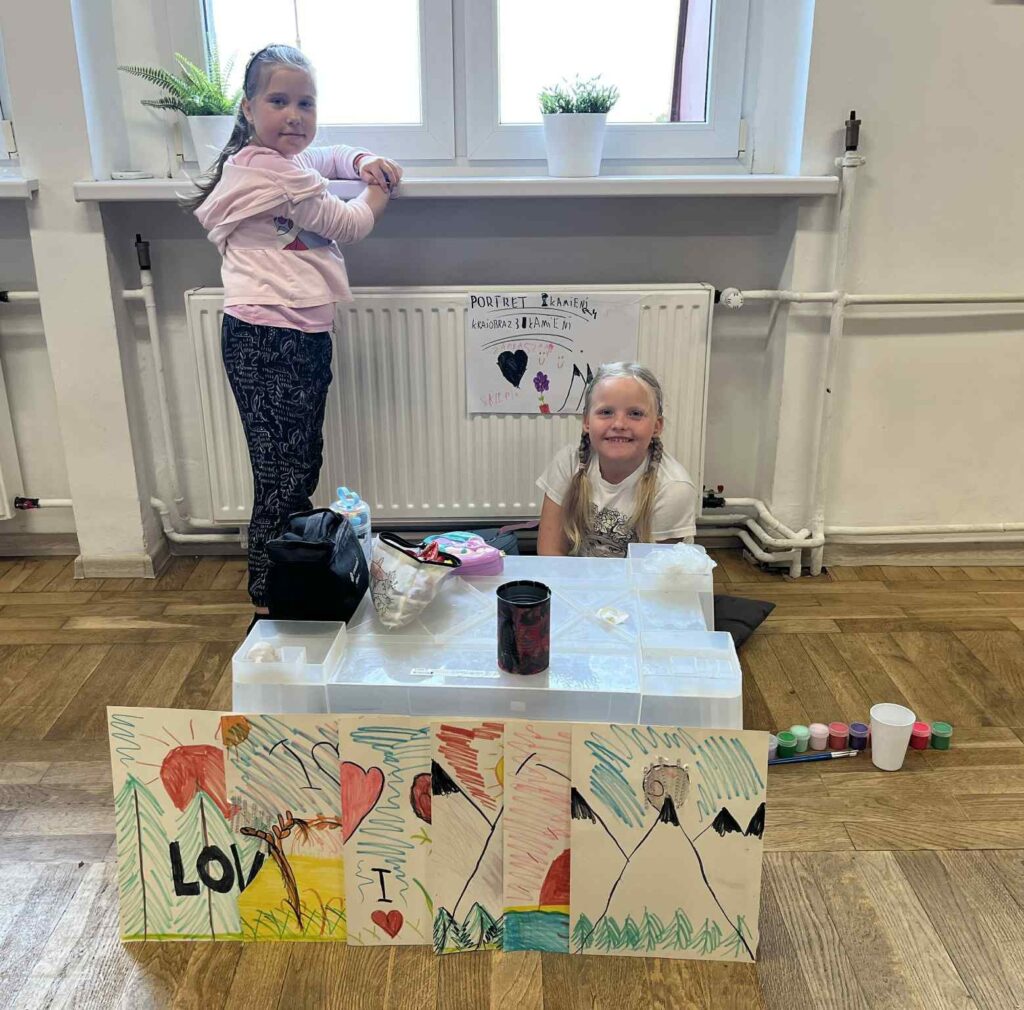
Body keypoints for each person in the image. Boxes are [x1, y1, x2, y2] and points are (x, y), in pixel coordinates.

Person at [191, 44, 401, 620]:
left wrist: (362, 159)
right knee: (283, 477)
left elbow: (325, 156)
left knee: (296, 465)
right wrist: (380, 187)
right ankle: (271, 598)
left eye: (306, 103)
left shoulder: (279, 163)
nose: (294, 115)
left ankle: (286, 585)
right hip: (269, 337)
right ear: (247, 108)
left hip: (294, 333)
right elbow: (349, 223)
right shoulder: (275, 174)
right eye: (278, 101)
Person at [536, 362, 698, 557]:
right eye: (606, 412)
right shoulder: (568, 463)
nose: (619, 424)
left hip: (644, 575)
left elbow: (660, 572)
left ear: (657, 426)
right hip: (581, 575)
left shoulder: (673, 488)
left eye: (635, 414)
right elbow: (550, 552)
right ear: (586, 421)